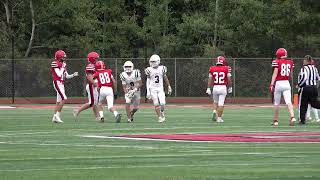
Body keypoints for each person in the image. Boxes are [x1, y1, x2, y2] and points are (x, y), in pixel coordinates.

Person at [269, 48, 296, 126]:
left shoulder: (276, 62)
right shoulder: (290, 62)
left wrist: (271, 84)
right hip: (287, 83)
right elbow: (290, 75)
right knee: (288, 102)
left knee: (277, 103)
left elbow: (275, 73)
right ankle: (292, 116)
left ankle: (276, 120)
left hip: (278, 83)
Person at [51, 50, 78, 123]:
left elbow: (66, 76)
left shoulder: (63, 64)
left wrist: (73, 75)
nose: (64, 58)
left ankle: (54, 117)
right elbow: (59, 74)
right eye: (63, 57)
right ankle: (57, 116)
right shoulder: (55, 63)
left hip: (61, 84)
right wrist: (63, 67)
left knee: (58, 101)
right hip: (57, 83)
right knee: (64, 98)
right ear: (59, 57)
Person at [145, 54, 172, 123]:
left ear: (158, 61)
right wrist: (148, 91)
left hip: (160, 88)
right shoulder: (149, 70)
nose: (153, 63)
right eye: (152, 62)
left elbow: (165, 78)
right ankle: (159, 117)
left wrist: (169, 86)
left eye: (154, 61)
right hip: (152, 89)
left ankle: (162, 112)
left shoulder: (162, 68)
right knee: (156, 104)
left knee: (162, 103)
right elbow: (148, 81)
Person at [73, 52, 100, 121]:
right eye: (96, 58)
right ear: (92, 59)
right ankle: (77, 110)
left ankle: (97, 117)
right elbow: (89, 77)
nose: (97, 60)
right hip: (92, 85)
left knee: (95, 102)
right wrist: (95, 84)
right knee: (92, 102)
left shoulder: (95, 65)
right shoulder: (90, 66)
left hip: (94, 85)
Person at [206, 56, 232, 123]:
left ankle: (214, 111)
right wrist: (230, 87)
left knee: (215, 101)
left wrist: (208, 88)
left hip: (215, 87)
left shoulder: (212, 68)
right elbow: (229, 79)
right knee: (221, 104)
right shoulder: (226, 68)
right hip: (223, 87)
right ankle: (219, 118)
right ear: (223, 61)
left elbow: (210, 79)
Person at [297, 55, 320, 124]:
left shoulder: (304, 68)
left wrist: (299, 85)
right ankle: (303, 119)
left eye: (304, 60)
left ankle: (302, 120)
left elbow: (304, 78)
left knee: (303, 104)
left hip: (306, 88)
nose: (303, 61)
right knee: (314, 104)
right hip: (314, 87)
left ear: (307, 61)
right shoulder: (314, 68)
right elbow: (318, 78)